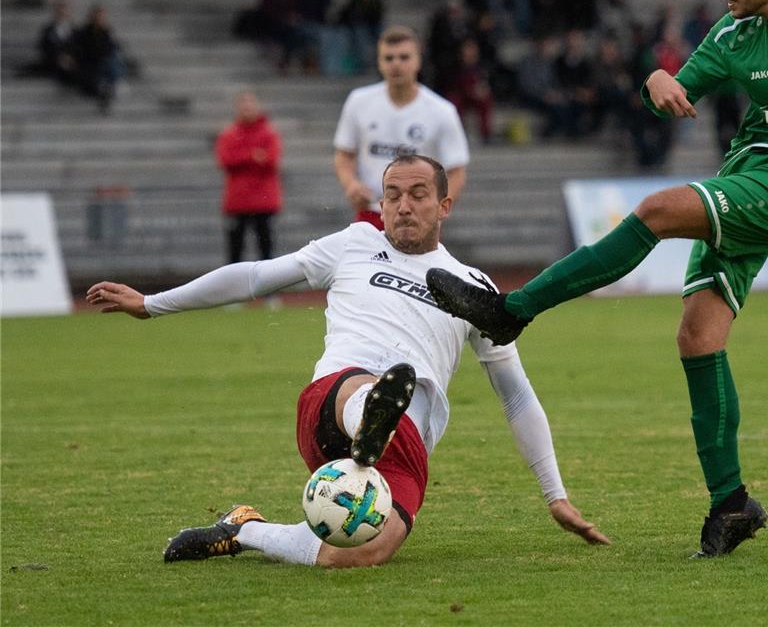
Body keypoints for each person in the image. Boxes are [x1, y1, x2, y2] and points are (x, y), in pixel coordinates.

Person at [426, 0, 768, 558]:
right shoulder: (733, 39)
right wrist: (656, 78)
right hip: (752, 172)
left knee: (654, 210)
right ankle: (730, 503)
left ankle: (513, 311)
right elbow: (674, 90)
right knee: (696, 336)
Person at [86, 154, 609, 568]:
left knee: (358, 555)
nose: (402, 206)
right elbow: (254, 277)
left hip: (406, 448)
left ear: (444, 206)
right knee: (368, 387)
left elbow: (514, 394)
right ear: (380, 203)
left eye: (418, 195)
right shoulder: (354, 244)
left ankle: (243, 530)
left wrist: (555, 494)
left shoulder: (475, 288)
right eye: (392, 195)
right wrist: (152, 304)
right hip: (332, 400)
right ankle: (371, 415)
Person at [334, 26, 469, 229]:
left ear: (418, 60)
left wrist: (437, 210)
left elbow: (456, 171)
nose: (396, 64)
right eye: (388, 58)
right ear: (379, 62)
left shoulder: (442, 111)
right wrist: (351, 184)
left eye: (404, 57)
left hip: (418, 217)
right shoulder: (358, 102)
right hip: (372, 213)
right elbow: (344, 154)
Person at [215, 90, 283, 264]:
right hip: (239, 201)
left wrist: (243, 157)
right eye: (243, 105)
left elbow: (272, 160)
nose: (247, 108)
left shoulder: (269, 134)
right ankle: (234, 289)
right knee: (235, 250)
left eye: (250, 104)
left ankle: (268, 288)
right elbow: (225, 160)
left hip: (263, 201)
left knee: (266, 248)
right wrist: (253, 156)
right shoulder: (229, 134)